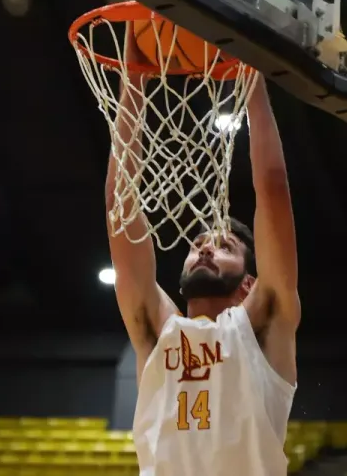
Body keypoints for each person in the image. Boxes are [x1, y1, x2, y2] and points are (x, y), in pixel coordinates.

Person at [106, 34, 300, 475]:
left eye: (224, 246)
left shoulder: (265, 322)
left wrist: (253, 82)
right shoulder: (158, 331)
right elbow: (121, 207)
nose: (205, 249)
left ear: (249, 283)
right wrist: (133, 88)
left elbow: (272, 188)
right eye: (197, 246)